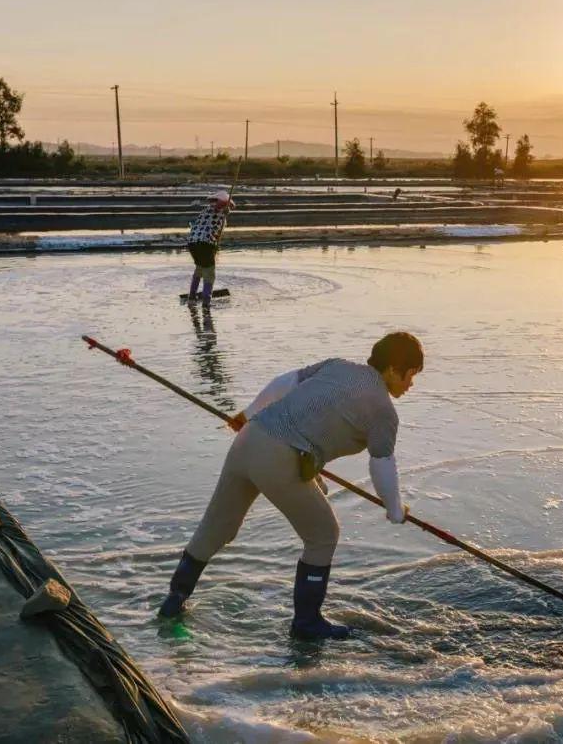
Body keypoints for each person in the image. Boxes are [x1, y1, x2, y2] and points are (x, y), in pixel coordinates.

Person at [158, 332, 424, 640]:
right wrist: (394, 510)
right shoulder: (383, 411)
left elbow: (283, 383)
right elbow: (382, 464)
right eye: (411, 375)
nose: (410, 384)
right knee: (324, 534)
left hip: (250, 438)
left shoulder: (337, 366)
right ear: (393, 369)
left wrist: (248, 414)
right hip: (280, 458)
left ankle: (175, 599)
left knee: (217, 527)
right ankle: (307, 623)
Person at [186, 189, 234, 308]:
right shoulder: (219, 210)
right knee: (210, 273)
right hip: (205, 244)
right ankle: (206, 302)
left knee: (200, 268)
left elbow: (215, 232)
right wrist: (224, 211)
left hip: (192, 243)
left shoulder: (205, 211)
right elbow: (218, 210)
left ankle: (191, 297)